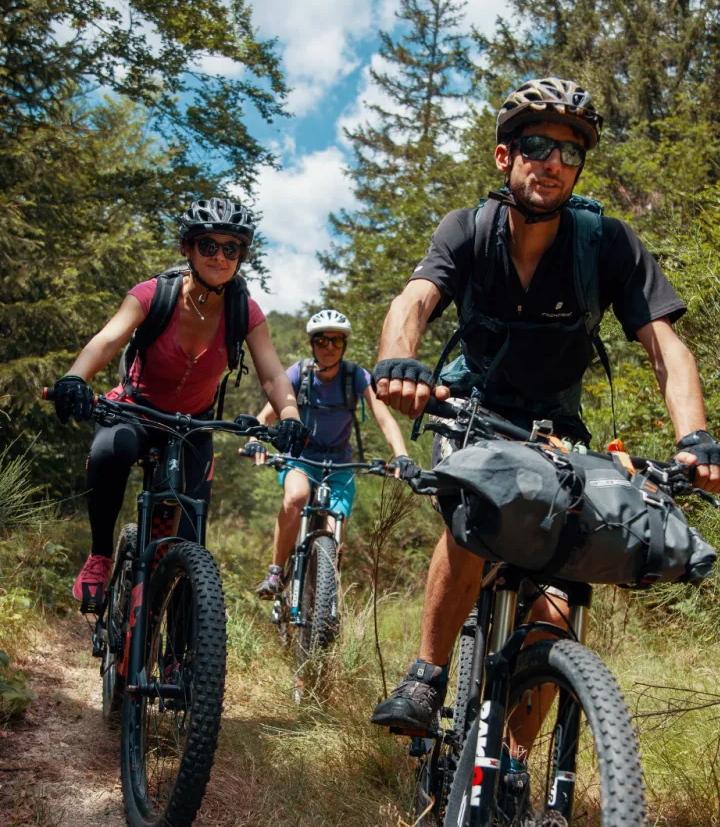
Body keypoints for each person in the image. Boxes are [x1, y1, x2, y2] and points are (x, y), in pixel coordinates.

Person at [369, 77, 720, 774]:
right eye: (535, 145)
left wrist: (694, 440)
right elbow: (414, 300)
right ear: (506, 157)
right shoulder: (467, 230)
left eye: (568, 151)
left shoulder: (607, 244)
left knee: (557, 605)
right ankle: (426, 675)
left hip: (555, 431)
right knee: (478, 506)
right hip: (469, 411)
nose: (552, 161)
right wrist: (399, 362)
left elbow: (665, 348)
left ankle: (509, 760)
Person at [51, 197, 306, 612]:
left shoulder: (246, 312)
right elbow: (108, 340)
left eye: (231, 248)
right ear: (187, 249)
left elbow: (274, 375)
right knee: (109, 451)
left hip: (192, 426)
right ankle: (100, 556)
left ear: (242, 255)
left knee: (189, 539)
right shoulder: (154, 294)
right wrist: (74, 377)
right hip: (136, 408)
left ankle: (178, 657)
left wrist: (290, 414)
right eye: (208, 245)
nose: (220, 257)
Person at [252, 309, 410, 598]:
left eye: (336, 342)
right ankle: (275, 572)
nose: (328, 348)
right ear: (312, 344)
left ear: (344, 346)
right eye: (322, 341)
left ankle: (327, 598)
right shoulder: (298, 374)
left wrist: (401, 456)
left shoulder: (355, 376)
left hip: (340, 463)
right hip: (301, 458)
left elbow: (385, 419)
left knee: (336, 524)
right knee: (296, 497)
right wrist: (256, 442)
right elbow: (266, 416)